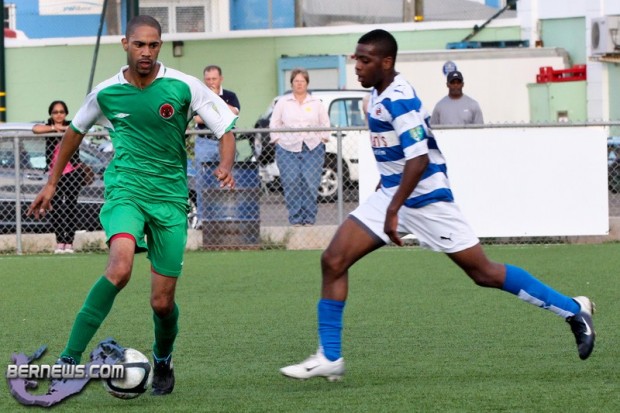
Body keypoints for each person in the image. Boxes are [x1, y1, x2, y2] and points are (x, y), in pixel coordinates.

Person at [280, 29, 595, 381]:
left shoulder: (399, 98)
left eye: (365, 60)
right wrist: (388, 196)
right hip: (393, 193)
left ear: (386, 62)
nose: (357, 66)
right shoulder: (377, 92)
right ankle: (330, 356)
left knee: (483, 273)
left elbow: (418, 160)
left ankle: (573, 309)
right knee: (333, 260)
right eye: (357, 59)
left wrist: (393, 210)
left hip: (427, 200)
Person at [27, 15, 237, 396]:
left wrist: (225, 164)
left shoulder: (184, 86)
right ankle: (69, 358)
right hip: (126, 190)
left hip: (170, 199)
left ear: (160, 46)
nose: (146, 52)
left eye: (153, 45)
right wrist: (52, 182)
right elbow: (74, 132)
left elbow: (225, 129)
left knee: (162, 303)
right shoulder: (106, 92)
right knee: (119, 268)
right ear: (125, 43)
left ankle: (163, 358)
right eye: (139, 44)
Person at [269, 68, 330, 226]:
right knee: (291, 183)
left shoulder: (316, 103)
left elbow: (324, 122)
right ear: (291, 83)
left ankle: (309, 219)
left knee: (311, 183)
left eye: (302, 81)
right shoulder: (283, 102)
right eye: (296, 81)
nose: (299, 84)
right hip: (287, 148)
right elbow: (274, 123)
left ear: (307, 83)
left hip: (312, 147)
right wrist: (277, 140)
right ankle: (295, 219)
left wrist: (323, 138)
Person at [32, 101, 85, 254]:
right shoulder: (48, 126)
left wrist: (63, 129)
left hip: (72, 173)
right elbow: (35, 129)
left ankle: (69, 242)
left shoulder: (71, 126)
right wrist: (55, 129)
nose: (59, 115)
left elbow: (80, 128)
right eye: (55, 112)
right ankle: (60, 241)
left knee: (70, 207)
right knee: (55, 208)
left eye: (61, 112)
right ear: (51, 114)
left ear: (66, 113)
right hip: (55, 175)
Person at [193, 65, 241, 226]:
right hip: (205, 141)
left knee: (226, 178)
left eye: (214, 79)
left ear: (221, 79)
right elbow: (198, 119)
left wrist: (215, 99)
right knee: (203, 180)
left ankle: (227, 217)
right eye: (207, 79)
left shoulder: (230, 95)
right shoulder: (199, 96)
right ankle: (203, 218)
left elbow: (234, 112)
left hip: (225, 142)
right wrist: (217, 109)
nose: (211, 82)